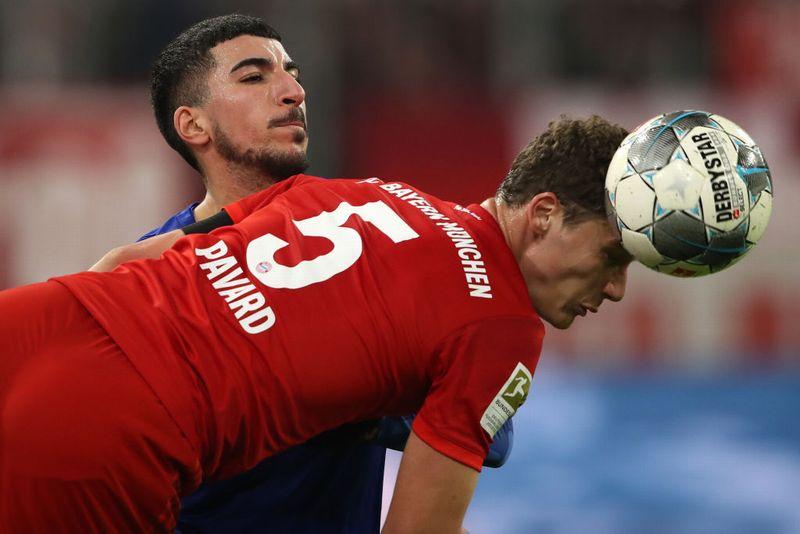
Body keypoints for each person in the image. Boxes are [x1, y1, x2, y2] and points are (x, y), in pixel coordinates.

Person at [0, 115, 632, 532]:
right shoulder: (504, 326)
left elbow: (127, 261)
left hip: (47, 318)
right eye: (612, 256)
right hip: (126, 425)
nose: (616, 289)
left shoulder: (366, 190)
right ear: (543, 214)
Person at [140, 13, 512, 532]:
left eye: (292, 74)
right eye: (255, 77)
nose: (293, 91)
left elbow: (494, 428)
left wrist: (354, 402)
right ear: (193, 126)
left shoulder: (374, 232)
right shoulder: (153, 280)